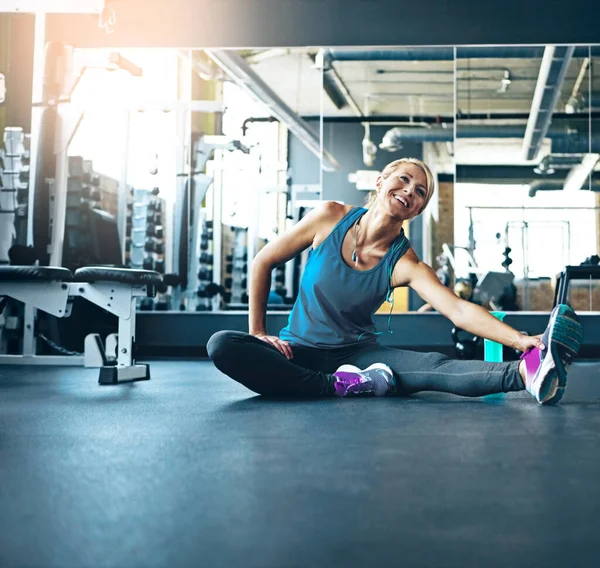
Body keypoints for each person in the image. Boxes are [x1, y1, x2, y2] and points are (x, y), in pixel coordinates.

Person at [208, 158, 583, 405]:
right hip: (298, 349)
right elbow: (262, 261)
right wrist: (258, 334)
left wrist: (523, 342)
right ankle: (335, 387)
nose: (409, 191)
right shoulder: (328, 217)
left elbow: (458, 311)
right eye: (403, 179)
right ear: (381, 180)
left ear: (418, 209)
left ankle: (529, 373)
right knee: (223, 344)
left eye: (420, 192)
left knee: (434, 367)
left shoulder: (405, 262)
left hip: (358, 357)